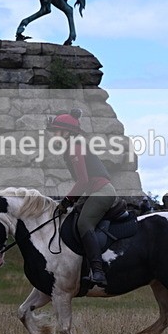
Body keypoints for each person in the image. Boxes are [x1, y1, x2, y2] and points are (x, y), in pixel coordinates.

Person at [47, 109, 117, 287]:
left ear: (67, 133)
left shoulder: (75, 147)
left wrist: (66, 201)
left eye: (56, 131)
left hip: (101, 191)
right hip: (93, 192)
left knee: (83, 223)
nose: (54, 135)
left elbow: (83, 181)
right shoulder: (74, 146)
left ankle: (98, 271)